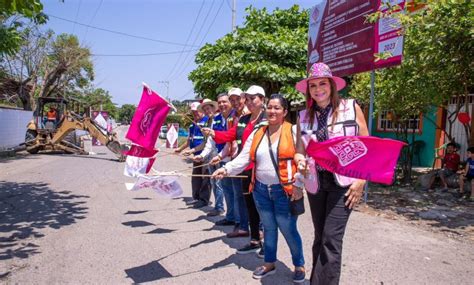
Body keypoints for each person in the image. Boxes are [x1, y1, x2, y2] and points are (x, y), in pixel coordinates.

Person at [212, 94, 305, 283]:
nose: (272, 111)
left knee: (288, 229)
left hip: (285, 191)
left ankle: (299, 265)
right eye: (270, 107)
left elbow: (304, 161)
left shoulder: (294, 131)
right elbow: (244, 157)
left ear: (285, 112)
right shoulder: (258, 132)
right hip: (260, 190)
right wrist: (226, 168)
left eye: (277, 108)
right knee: (269, 229)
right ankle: (269, 263)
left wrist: (298, 185)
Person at [294, 62, 369, 285]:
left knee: (331, 239)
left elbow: (367, 146)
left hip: (344, 182)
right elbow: (299, 151)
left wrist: (361, 181)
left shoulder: (351, 107)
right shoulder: (303, 116)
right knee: (320, 237)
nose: (318, 89)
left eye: (322, 84)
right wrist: (300, 162)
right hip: (316, 183)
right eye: (313, 85)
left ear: (332, 85)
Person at [202, 85, 265, 254]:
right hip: (244, 167)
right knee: (249, 204)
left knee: (263, 207)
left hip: (263, 170)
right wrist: (214, 134)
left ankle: (267, 244)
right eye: (248, 99)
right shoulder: (244, 120)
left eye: (253, 99)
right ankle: (254, 240)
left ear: (262, 100)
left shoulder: (267, 118)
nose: (250, 102)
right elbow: (231, 136)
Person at [210, 87, 250, 236]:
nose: (234, 102)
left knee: (246, 195)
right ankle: (240, 223)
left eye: (236, 99)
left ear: (244, 98)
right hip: (234, 161)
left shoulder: (250, 115)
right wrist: (220, 156)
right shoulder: (232, 119)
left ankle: (250, 227)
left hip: (246, 162)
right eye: (231, 99)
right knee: (236, 194)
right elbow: (229, 139)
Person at [194, 95, 234, 217]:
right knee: (218, 185)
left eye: (209, 108)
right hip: (215, 157)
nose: (207, 111)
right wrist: (202, 156)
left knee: (226, 188)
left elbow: (229, 139)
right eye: (205, 109)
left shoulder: (232, 118)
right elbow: (210, 142)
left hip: (228, 158)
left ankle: (229, 213)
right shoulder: (212, 121)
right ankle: (225, 212)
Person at [175, 102, 211, 208]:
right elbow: (189, 140)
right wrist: (180, 149)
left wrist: (194, 151)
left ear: (202, 110)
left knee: (205, 178)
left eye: (197, 111)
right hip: (195, 156)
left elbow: (207, 141)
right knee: (196, 177)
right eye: (193, 112)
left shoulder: (207, 122)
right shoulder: (192, 125)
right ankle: (196, 198)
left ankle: (204, 200)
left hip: (205, 155)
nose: (195, 114)